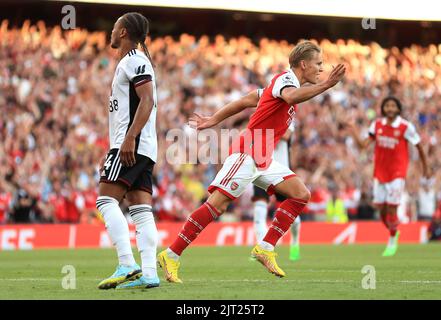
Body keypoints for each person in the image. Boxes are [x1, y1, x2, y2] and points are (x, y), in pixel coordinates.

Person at [157, 41, 346, 283]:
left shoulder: (280, 85)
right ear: (304, 64)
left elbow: (248, 99)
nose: (321, 68)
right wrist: (327, 85)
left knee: (300, 194)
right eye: (318, 64)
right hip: (248, 153)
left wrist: (213, 119)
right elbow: (290, 96)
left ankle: (265, 247)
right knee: (217, 205)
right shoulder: (285, 82)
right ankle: (171, 254)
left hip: (263, 158)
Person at [95, 12, 159, 289]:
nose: (111, 31)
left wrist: (129, 139)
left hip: (131, 145)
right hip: (141, 147)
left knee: (105, 201)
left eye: (114, 27)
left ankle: (126, 262)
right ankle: (149, 273)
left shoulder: (133, 60)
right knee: (141, 210)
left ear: (122, 32)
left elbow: (147, 100)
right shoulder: (133, 61)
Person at [348, 96, 429, 256]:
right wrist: (353, 130)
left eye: (393, 106)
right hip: (380, 172)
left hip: (397, 172)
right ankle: (394, 230)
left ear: (398, 109)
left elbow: (419, 146)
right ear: (383, 109)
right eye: (387, 106)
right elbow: (363, 145)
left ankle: (392, 239)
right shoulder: (377, 124)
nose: (390, 108)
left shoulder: (406, 126)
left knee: (392, 208)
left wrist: (425, 167)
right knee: (381, 209)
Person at [251, 101, 301, 261]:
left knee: (292, 214)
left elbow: (285, 135)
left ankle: (295, 241)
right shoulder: (260, 117)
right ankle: (260, 248)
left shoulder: (287, 116)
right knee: (259, 209)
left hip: (281, 170)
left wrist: (265, 128)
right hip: (260, 167)